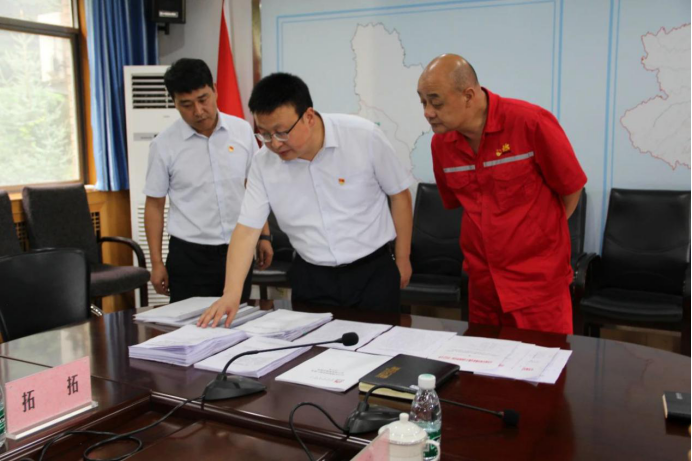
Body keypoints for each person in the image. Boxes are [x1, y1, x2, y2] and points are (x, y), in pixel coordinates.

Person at [198, 72, 414, 327]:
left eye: (281, 133)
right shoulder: (263, 164)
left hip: (373, 273)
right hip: (311, 278)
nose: (274, 144)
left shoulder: (363, 137)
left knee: (381, 346)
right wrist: (231, 294)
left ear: (308, 117)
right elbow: (246, 231)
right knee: (314, 349)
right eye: (264, 134)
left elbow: (399, 195)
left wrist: (402, 258)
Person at [417, 54, 587, 335]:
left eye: (436, 102)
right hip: (483, 287)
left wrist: (540, 233)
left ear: (468, 96)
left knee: (545, 362)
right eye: (422, 102)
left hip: (537, 287)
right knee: (487, 362)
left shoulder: (530, 123)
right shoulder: (441, 144)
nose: (427, 112)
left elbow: (571, 188)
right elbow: (458, 203)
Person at [144, 58, 273, 304]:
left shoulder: (242, 130)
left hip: (239, 247)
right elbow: (154, 205)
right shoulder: (163, 145)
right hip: (190, 254)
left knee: (237, 318)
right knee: (189, 324)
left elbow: (254, 188)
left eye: (203, 99)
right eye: (186, 104)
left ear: (214, 89)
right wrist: (157, 263)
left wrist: (264, 236)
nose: (198, 111)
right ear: (174, 102)